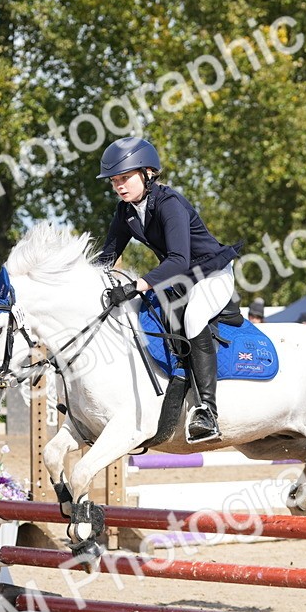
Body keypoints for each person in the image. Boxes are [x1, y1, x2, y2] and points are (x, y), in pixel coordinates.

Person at [96, 136, 240, 444]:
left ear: (147, 173)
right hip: (177, 279)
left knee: (194, 318)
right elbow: (106, 257)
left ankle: (206, 411)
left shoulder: (169, 203)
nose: (119, 186)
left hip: (211, 274)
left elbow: (178, 259)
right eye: (114, 181)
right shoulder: (126, 212)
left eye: (125, 178)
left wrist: (136, 285)